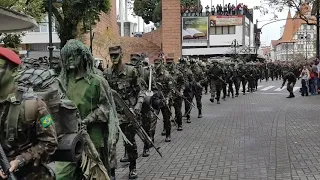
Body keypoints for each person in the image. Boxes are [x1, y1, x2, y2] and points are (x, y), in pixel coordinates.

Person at [55, 39, 118, 180]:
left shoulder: (96, 81)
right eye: (67, 56)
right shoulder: (61, 81)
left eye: (74, 55)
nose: (70, 59)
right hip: (67, 136)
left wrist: (88, 119)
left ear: (84, 57)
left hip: (92, 136)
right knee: (62, 175)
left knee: (96, 173)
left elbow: (106, 108)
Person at [0, 47, 58, 179]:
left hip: (31, 174)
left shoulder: (34, 104)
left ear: (14, 72)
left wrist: (21, 160)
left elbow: (49, 142)